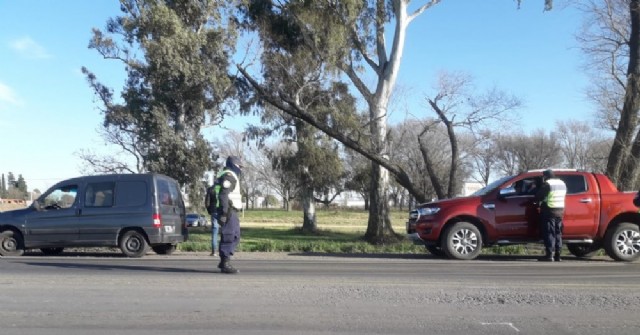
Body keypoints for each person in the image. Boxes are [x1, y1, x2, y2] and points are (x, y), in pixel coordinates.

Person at [211, 156, 243, 274]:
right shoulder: (229, 176)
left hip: (231, 210)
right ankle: (225, 262)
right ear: (234, 165)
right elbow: (223, 195)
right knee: (229, 235)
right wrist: (224, 213)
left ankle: (224, 259)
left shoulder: (228, 175)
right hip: (228, 210)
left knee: (236, 235)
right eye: (239, 166)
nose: (241, 169)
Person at [534, 169, 567, 262]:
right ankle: (558, 255)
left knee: (550, 232)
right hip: (560, 211)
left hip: (550, 210)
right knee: (558, 233)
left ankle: (549, 255)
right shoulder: (562, 183)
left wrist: (538, 186)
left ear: (546, 176)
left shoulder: (547, 184)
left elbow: (538, 196)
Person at [205, 170, 225, 257]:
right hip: (222, 211)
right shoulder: (223, 189)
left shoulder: (210, 189)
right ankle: (224, 250)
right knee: (224, 231)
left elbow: (207, 202)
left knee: (214, 231)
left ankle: (214, 252)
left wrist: (209, 210)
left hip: (213, 211)